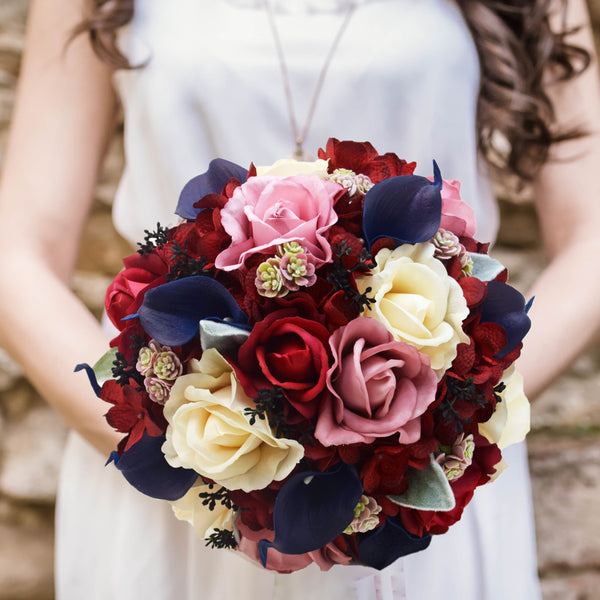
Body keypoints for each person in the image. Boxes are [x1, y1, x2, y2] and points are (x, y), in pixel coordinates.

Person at [0, 0, 599, 598]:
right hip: (183, 481)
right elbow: (17, 255)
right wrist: (178, 449)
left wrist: (455, 412)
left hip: (411, 484)